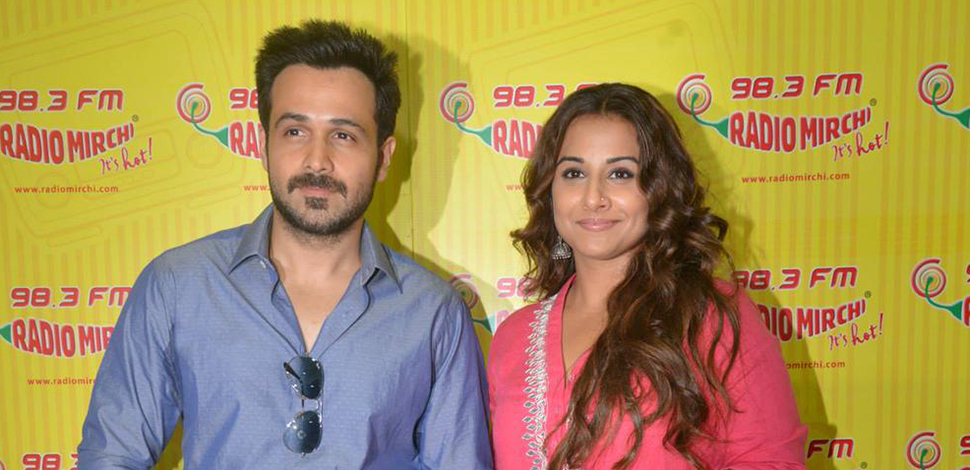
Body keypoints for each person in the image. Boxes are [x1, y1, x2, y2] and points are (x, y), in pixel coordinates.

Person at [78, 20, 492, 470]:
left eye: (344, 135)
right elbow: (111, 456)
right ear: (262, 144)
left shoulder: (433, 313)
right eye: (295, 131)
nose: (317, 160)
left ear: (383, 157)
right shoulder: (178, 286)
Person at [488, 83, 807, 470]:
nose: (593, 197)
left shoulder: (713, 316)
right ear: (549, 189)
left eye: (620, 174)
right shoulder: (513, 337)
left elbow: (772, 461)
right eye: (573, 173)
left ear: (659, 188)